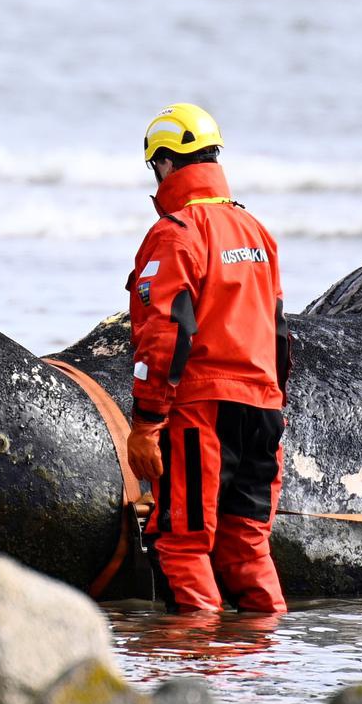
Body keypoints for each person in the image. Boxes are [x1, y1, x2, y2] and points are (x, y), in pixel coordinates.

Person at [125, 103, 291, 614]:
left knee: (182, 541)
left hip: (201, 412)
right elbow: (279, 333)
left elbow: (166, 334)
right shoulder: (255, 231)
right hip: (264, 411)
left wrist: (147, 424)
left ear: (167, 164)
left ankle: (192, 673)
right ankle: (261, 668)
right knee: (247, 545)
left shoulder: (177, 233)